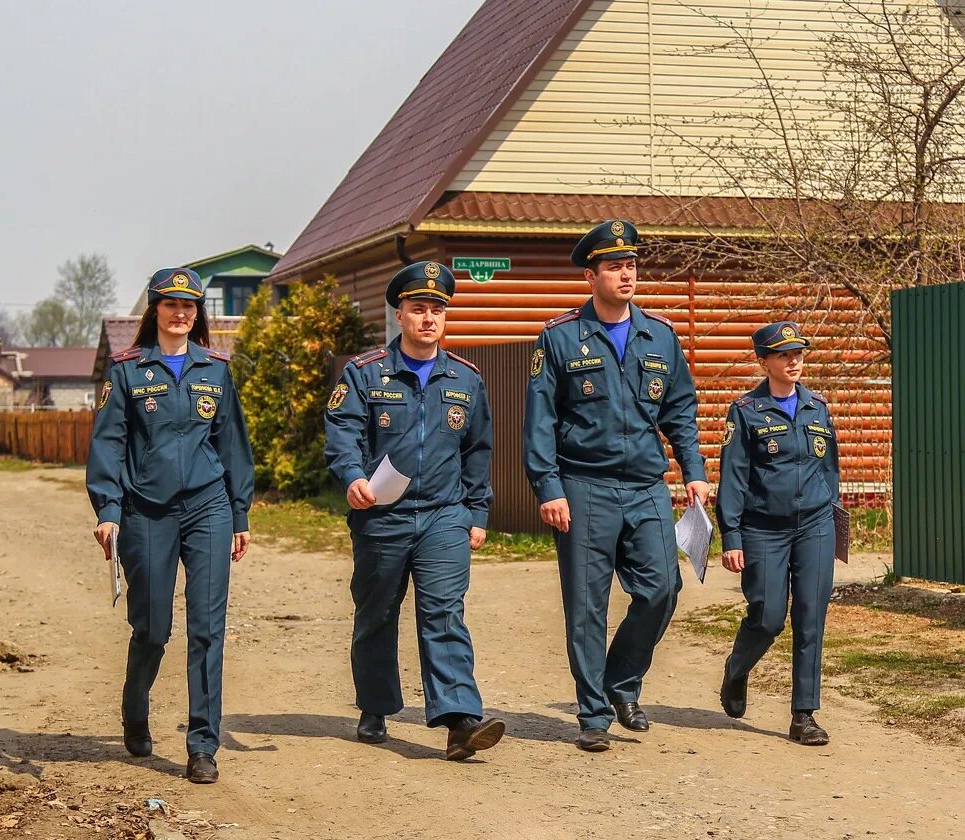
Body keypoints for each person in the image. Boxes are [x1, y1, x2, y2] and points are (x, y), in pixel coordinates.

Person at [523, 220, 709, 752]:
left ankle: (621, 683)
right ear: (591, 275)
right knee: (587, 604)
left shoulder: (661, 335)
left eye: (630, 265)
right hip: (583, 486)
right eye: (614, 266)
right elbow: (539, 421)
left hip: (647, 485)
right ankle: (593, 714)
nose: (626, 274)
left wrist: (693, 471)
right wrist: (548, 487)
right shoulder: (559, 338)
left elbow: (680, 411)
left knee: (662, 590)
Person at [323, 260, 506, 761]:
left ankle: (459, 721)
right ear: (399, 315)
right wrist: (354, 478)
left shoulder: (465, 380)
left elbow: (478, 450)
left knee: (445, 612)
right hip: (382, 514)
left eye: (437, 310)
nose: (428, 318)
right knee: (378, 612)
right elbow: (342, 433)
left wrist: (477, 512)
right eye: (418, 309)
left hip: (445, 514)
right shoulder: (364, 374)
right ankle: (376, 705)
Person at [86, 267, 254, 783]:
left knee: (207, 628)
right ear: (155, 311)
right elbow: (108, 444)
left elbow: (233, 446)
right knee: (153, 629)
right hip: (146, 510)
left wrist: (240, 512)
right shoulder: (128, 370)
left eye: (190, 307)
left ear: (197, 314)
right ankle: (135, 712)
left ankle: (203, 745)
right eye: (171, 305)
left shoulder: (216, 369)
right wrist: (108, 510)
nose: (181, 314)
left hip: (208, 508)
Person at [715, 321, 841, 746]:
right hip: (763, 529)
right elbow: (732, 478)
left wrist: (832, 515)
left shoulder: (817, 407)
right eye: (784, 354)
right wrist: (731, 536)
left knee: (811, 616)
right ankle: (737, 668)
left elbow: (830, 469)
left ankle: (803, 715)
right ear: (763, 361)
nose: (794, 360)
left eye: (799, 353)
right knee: (768, 617)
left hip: (815, 527)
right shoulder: (746, 411)